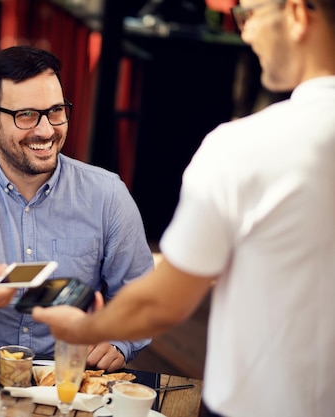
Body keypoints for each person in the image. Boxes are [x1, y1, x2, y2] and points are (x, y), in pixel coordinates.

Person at [33, 0, 335, 416]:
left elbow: (162, 303)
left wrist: (83, 327)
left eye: (247, 15)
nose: (244, 33)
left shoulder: (245, 147)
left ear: (299, 15)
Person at [0, 46, 154, 372]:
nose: (45, 130)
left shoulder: (107, 195)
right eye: (26, 115)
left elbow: (140, 296)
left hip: (71, 376)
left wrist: (121, 342)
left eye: (55, 111)